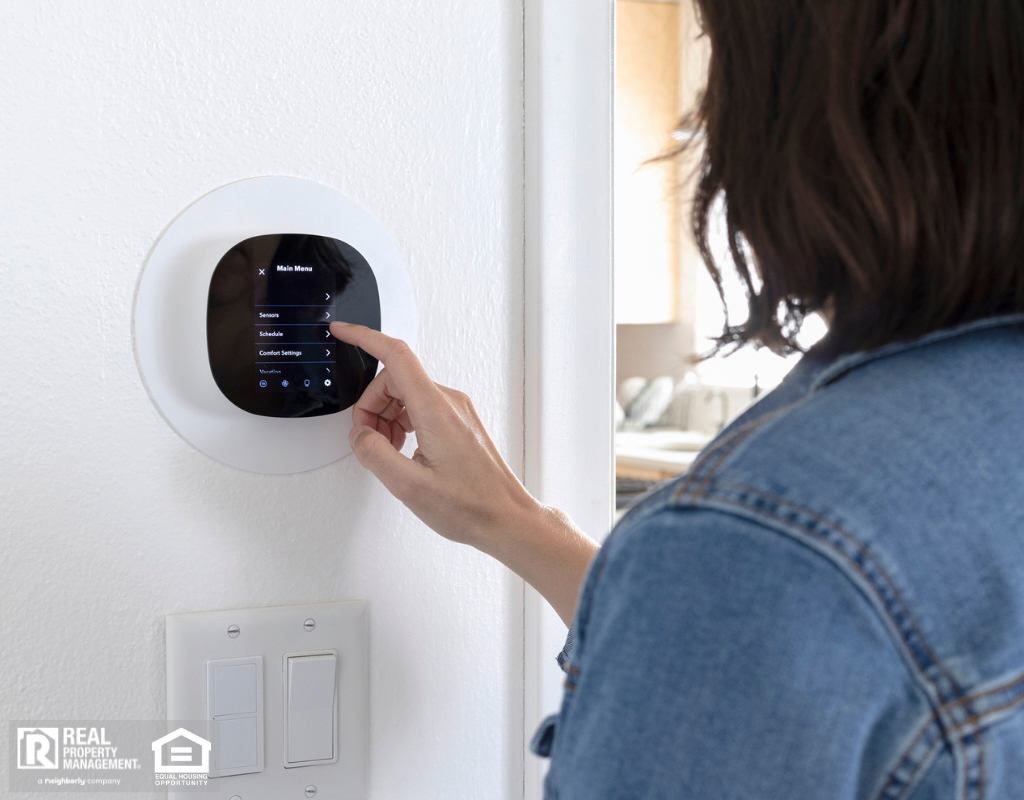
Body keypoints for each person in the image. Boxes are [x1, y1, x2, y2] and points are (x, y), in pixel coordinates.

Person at [331, 0, 1024, 796]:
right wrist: (515, 524)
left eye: (722, 61)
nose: (703, 112)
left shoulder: (765, 544)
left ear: (805, 118)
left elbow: (780, 609)